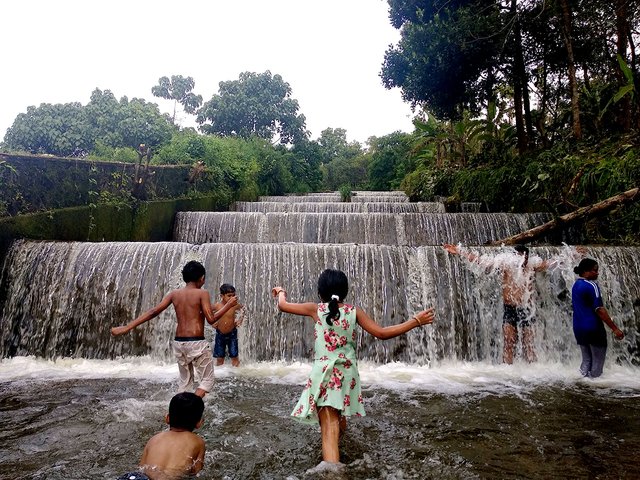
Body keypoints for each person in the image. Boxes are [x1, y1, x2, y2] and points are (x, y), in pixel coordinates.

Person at [271, 268, 435, 467]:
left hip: (326, 374)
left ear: (320, 292)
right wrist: (415, 321)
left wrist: (281, 291)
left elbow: (283, 306)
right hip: (347, 374)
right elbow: (382, 333)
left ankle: (333, 471)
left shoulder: (316, 309)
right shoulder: (354, 312)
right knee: (337, 418)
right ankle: (341, 453)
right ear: (345, 291)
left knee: (329, 426)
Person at [111, 260, 237, 397]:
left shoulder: (174, 294)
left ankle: (174, 413)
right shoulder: (202, 293)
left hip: (179, 344)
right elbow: (211, 319)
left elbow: (153, 311)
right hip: (196, 343)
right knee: (207, 381)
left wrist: (128, 327)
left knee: (185, 383)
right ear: (202, 278)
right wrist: (228, 306)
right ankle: (189, 408)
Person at [444, 243, 581, 364]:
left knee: (529, 343)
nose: (521, 261)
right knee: (509, 342)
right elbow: (481, 261)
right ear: (514, 256)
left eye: (524, 258)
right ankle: (507, 369)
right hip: (510, 308)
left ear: (527, 257)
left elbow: (552, 263)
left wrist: (571, 255)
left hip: (527, 309)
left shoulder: (532, 265)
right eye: (519, 257)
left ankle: (533, 370)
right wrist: (459, 251)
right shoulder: (506, 264)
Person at [117, 392, 206, 480]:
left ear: (167, 418)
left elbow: (141, 468)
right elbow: (196, 471)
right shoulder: (197, 441)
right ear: (199, 423)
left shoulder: (154, 439)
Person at [571, 258, 624, 377]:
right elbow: (599, 310)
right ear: (585, 271)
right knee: (597, 365)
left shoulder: (576, 285)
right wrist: (615, 329)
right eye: (595, 270)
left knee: (586, 361)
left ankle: (582, 386)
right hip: (593, 329)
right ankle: (594, 389)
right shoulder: (592, 286)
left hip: (579, 328)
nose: (597, 273)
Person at [212, 283, 245, 367]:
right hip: (220, 334)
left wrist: (240, 319)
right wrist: (212, 323)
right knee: (220, 358)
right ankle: (219, 374)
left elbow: (243, 309)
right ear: (222, 296)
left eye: (233, 295)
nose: (232, 298)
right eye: (229, 296)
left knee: (234, 356)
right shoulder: (217, 306)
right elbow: (208, 313)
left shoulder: (235, 305)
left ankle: (236, 373)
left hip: (232, 333)